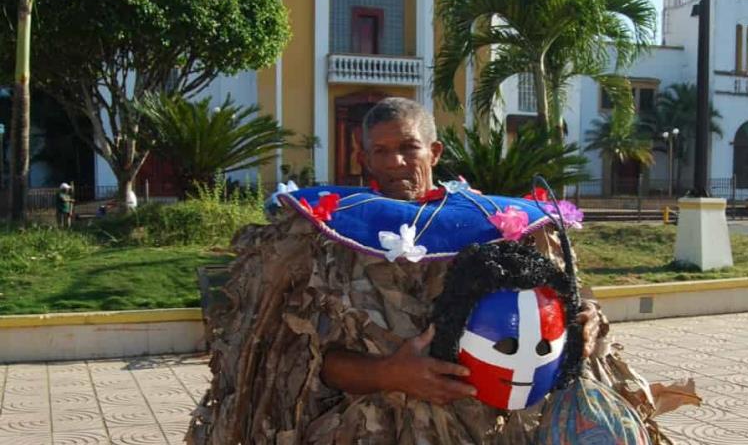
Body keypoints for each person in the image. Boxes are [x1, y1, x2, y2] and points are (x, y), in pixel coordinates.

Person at [189, 98, 688, 444]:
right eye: (381, 151)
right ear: (362, 157)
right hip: (377, 424)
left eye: (408, 147)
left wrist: (583, 325)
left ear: (435, 152)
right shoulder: (327, 235)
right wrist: (391, 374)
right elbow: (298, 359)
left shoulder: (505, 226)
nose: (396, 162)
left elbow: (567, 307)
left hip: (501, 424)